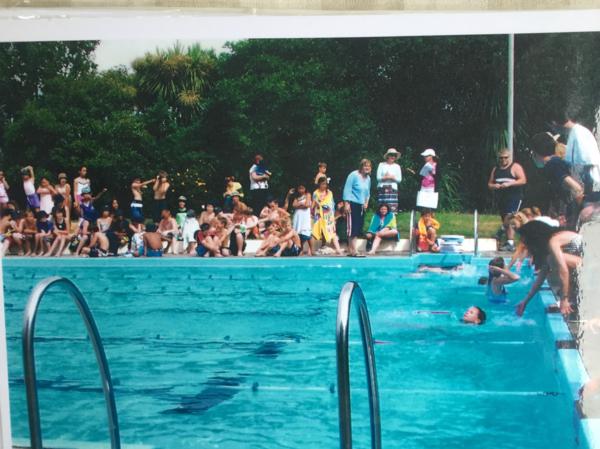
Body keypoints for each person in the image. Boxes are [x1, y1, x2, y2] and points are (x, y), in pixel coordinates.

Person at [514, 220, 582, 317]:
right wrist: (525, 301)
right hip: (589, 267)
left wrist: (564, 299)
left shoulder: (553, 241)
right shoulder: (549, 246)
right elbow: (542, 275)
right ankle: (573, 298)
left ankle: (571, 299)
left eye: (524, 238)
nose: (523, 241)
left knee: (553, 261)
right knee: (550, 261)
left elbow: (564, 271)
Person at [529, 132, 590, 229]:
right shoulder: (558, 161)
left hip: (573, 212)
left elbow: (577, 188)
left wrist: (580, 212)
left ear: (536, 153)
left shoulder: (553, 165)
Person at [488, 148, 527, 251]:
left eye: (506, 158)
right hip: (502, 198)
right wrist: (494, 186)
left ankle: (506, 239)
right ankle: (508, 239)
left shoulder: (515, 167)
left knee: (510, 218)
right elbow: (489, 184)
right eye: (501, 158)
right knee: (506, 219)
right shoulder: (496, 169)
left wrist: (510, 184)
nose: (503, 160)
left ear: (510, 158)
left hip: (514, 197)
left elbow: (523, 180)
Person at [553, 112, 600, 195]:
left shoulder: (578, 134)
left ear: (555, 123)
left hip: (590, 184)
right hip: (588, 183)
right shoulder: (577, 132)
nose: (553, 129)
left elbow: (585, 163)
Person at [343, 159, 372, 256]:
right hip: (352, 204)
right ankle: (353, 250)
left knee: (357, 228)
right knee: (352, 228)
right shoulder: (353, 175)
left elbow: (368, 193)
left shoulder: (368, 178)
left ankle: (352, 251)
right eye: (365, 165)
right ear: (361, 166)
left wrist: (366, 202)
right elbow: (347, 189)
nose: (367, 167)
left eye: (369, 166)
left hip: (361, 205)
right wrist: (346, 203)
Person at [311, 177, 343, 255]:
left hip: (328, 215)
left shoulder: (329, 192)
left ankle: (338, 249)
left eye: (325, 184)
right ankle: (310, 250)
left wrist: (333, 216)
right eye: (322, 184)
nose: (324, 186)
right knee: (315, 232)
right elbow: (313, 204)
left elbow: (331, 204)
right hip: (318, 214)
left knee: (332, 232)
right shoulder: (315, 193)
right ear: (319, 184)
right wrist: (311, 214)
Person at [284, 185, 312, 255]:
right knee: (298, 233)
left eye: (302, 188)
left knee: (307, 233)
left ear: (305, 188)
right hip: (298, 216)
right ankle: (301, 249)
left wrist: (299, 205)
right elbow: (294, 205)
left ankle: (312, 250)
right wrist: (301, 204)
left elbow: (307, 205)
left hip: (305, 216)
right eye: (299, 188)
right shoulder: (297, 197)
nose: (301, 190)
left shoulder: (308, 195)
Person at [376, 148, 402, 213]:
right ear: (387, 156)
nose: (393, 157)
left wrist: (392, 177)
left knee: (392, 209)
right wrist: (386, 177)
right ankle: (381, 223)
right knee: (382, 209)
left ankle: (392, 222)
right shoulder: (381, 164)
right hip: (382, 189)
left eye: (394, 155)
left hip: (393, 190)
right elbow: (378, 178)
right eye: (391, 155)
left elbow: (399, 180)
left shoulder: (397, 166)